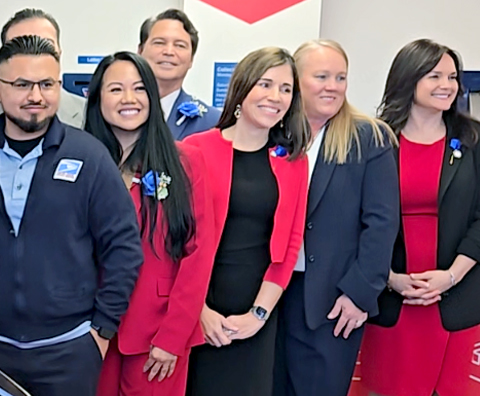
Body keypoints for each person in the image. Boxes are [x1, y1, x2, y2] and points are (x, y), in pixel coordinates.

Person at [0, 36, 143, 396]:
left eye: (46, 84)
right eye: (22, 84)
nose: (36, 96)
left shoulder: (89, 155)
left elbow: (124, 247)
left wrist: (102, 329)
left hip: (69, 350)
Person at [273, 39, 399, 396]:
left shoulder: (368, 138)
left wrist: (359, 294)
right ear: (296, 80)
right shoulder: (272, 133)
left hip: (331, 299)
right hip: (268, 295)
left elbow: (382, 223)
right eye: (322, 76)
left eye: (340, 77)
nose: (333, 86)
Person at [86, 51, 216, 396]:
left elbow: (198, 254)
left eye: (140, 89)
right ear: (96, 98)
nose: (129, 99)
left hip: (157, 331)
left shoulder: (186, 161)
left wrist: (173, 337)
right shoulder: (82, 161)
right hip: (89, 328)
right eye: (115, 89)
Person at [183, 47, 310, 396]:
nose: (276, 97)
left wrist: (258, 315)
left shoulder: (293, 161)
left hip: (256, 315)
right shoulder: (194, 149)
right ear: (242, 89)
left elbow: (290, 244)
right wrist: (199, 311)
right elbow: (175, 240)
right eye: (265, 84)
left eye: (286, 89)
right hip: (196, 310)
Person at [359, 39, 480, 396]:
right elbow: (354, 219)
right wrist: (388, 278)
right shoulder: (373, 140)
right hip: (390, 298)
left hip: (457, 298)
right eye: (434, 76)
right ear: (408, 79)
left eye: (452, 77)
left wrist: (451, 277)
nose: (447, 85)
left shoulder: (472, 139)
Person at [0, 8, 85, 129]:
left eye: (46, 44)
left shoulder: (91, 115)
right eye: (20, 45)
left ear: (59, 53)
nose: (34, 53)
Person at [138, 9, 220, 140]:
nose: (169, 51)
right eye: (159, 43)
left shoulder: (212, 123)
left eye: (180, 45)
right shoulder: (111, 110)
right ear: (140, 51)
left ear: (191, 59)